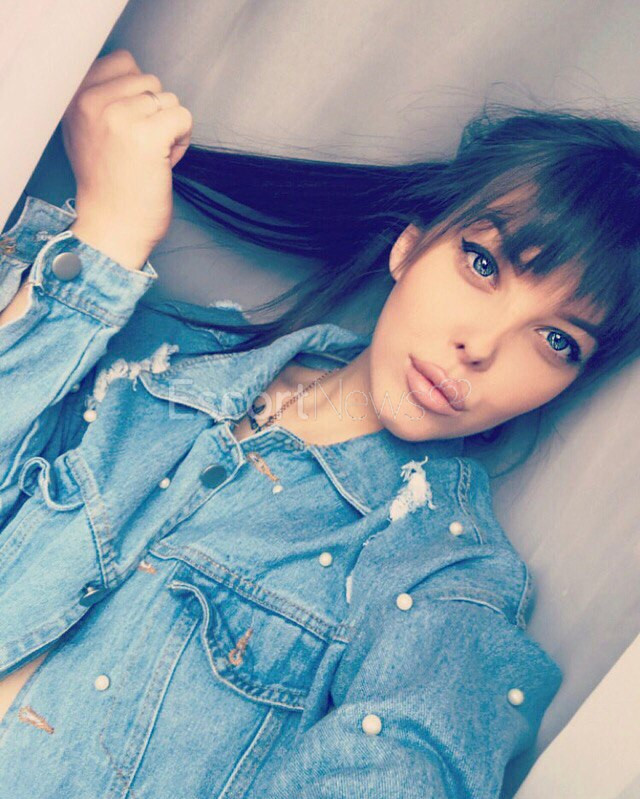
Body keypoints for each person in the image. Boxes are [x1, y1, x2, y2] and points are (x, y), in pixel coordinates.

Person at [0, 47, 637, 798]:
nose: (482, 347)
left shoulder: (442, 588)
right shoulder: (143, 353)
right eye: (483, 264)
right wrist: (110, 232)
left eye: (557, 340)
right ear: (409, 247)